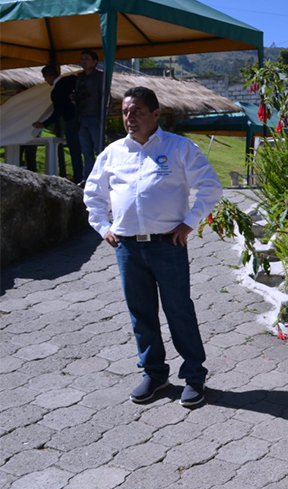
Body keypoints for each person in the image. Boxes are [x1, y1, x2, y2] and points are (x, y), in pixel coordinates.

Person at [83, 86, 222, 407]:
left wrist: (189, 223)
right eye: (125, 112)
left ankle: (194, 377)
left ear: (155, 114)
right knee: (141, 314)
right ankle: (155, 374)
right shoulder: (113, 153)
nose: (129, 118)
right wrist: (103, 227)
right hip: (128, 249)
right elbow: (93, 194)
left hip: (167, 245)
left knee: (179, 311)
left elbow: (210, 187)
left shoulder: (179, 148)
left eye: (137, 112)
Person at [32, 64, 83, 184]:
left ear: (49, 76)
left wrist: (44, 124)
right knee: (88, 150)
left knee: (75, 151)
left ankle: (79, 178)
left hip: (72, 120)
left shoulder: (57, 90)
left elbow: (58, 112)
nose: (46, 81)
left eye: (45, 78)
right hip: (84, 117)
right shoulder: (72, 79)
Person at [74, 49, 104, 175]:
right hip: (82, 116)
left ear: (94, 62)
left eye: (86, 59)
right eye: (82, 59)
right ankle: (88, 177)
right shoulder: (80, 78)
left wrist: (102, 116)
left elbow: (103, 96)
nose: (83, 61)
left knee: (99, 149)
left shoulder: (100, 77)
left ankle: (103, 176)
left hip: (95, 116)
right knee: (86, 150)